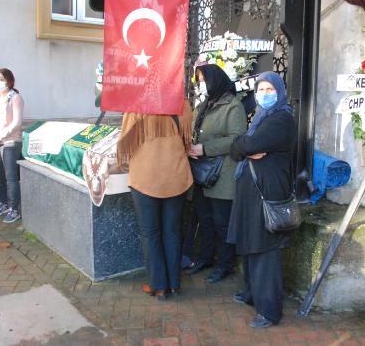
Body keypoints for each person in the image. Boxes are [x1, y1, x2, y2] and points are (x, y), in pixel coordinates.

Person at [227, 71, 296, 328]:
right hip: (252, 190)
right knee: (249, 243)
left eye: (270, 89)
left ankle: (269, 310)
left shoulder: (281, 119)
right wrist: (246, 146)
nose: (265, 94)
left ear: (279, 91)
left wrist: (246, 146)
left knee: (265, 249)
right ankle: (252, 293)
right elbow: (240, 148)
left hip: (267, 192)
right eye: (261, 89)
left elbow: (246, 146)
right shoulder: (261, 117)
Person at [117, 103, 193, 300]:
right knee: (173, 231)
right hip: (176, 176)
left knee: (150, 233)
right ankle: (174, 284)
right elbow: (188, 141)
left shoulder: (135, 107)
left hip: (145, 178)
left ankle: (158, 286)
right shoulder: (182, 105)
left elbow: (125, 143)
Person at [187, 64, 247, 283]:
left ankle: (225, 265)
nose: (201, 85)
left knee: (222, 222)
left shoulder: (233, 105)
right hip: (202, 173)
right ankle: (205, 258)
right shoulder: (204, 105)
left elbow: (237, 138)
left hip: (222, 175)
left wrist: (205, 148)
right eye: (199, 81)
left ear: (215, 80)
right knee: (205, 219)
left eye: (204, 80)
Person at [0, 68, 24, 223]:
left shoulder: (16, 98)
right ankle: (3, 204)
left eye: (1, 79)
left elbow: (16, 122)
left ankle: (14, 209)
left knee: (11, 177)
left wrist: (0, 136)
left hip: (10, 142)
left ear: (9, 80)